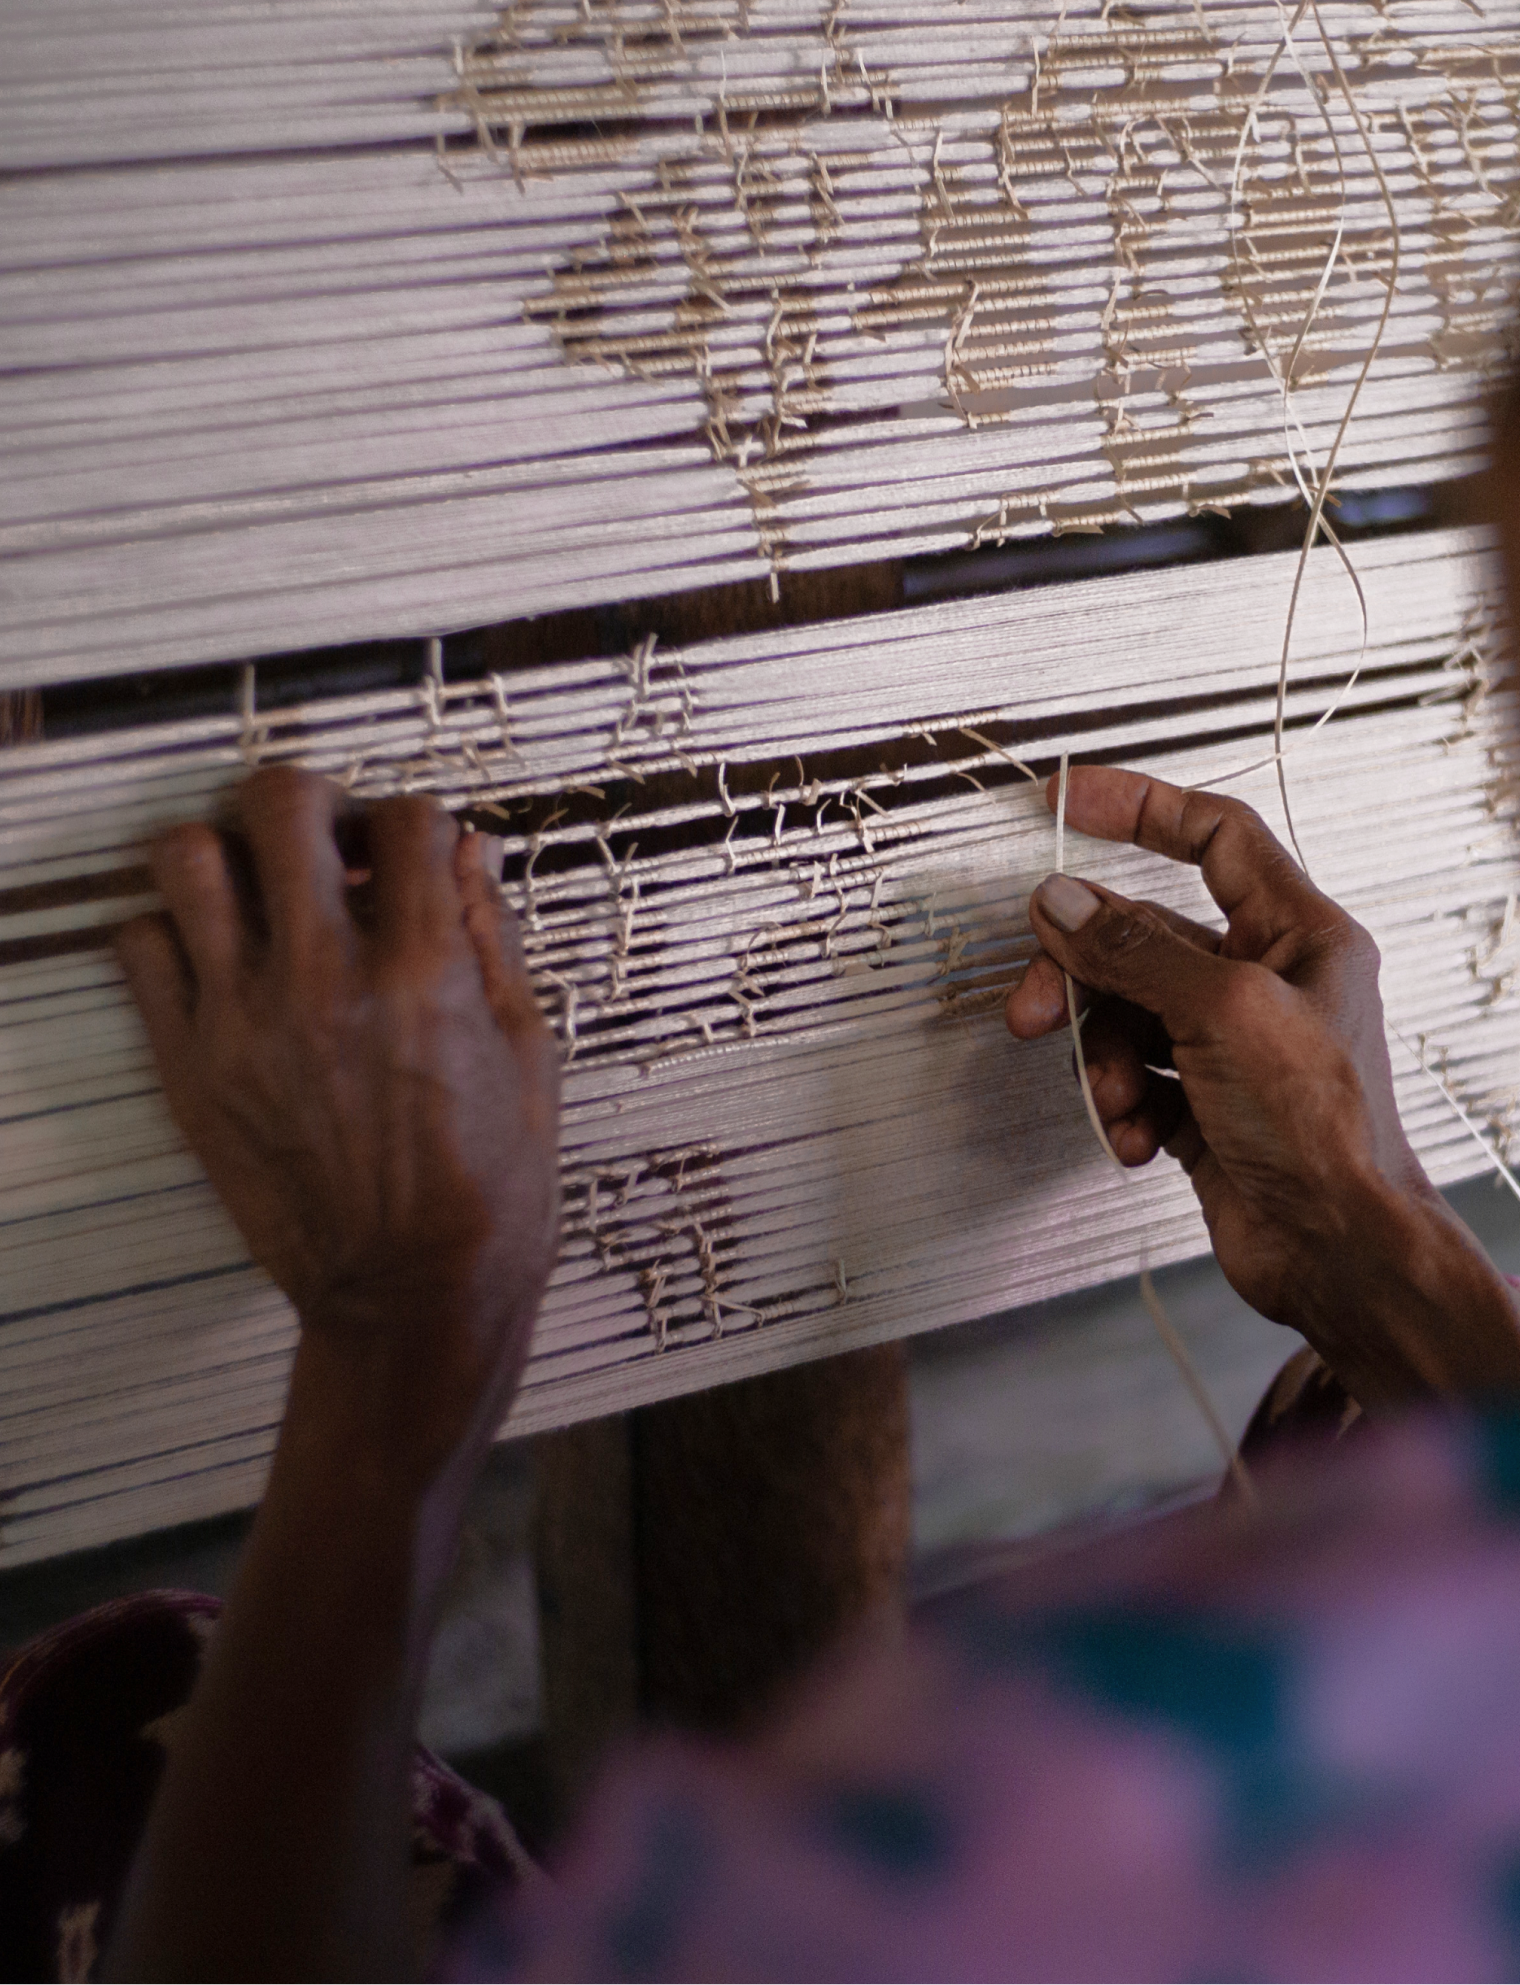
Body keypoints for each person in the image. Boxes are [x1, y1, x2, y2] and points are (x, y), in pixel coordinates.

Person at [9, 522, 1520, 1980]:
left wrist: (398, 1342)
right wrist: (1381, 1249)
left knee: (117, 1717)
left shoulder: (1021, 1854)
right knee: (1374, 1410)